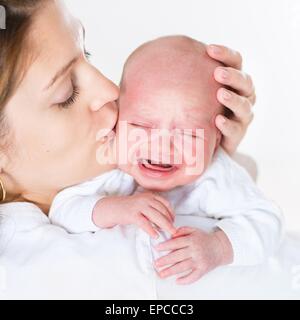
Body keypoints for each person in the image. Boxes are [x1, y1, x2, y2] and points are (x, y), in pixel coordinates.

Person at [0, 0, 271, 299]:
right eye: (67, 93)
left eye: (87, 54)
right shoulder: (45, 267)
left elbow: (259, 222)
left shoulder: (105, 168)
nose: (112, 90)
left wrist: (213, 155)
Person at [49, 36, 282, 285]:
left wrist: (218, 247)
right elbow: (62, 210)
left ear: (216, 140)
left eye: (189, 133)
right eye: (141, 125)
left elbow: (268, 221)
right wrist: (115, 208)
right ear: (117, 119)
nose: (161, 145)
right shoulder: (110, 162)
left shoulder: (215, 175)